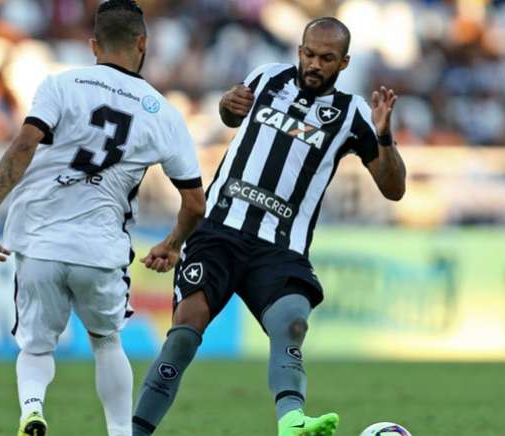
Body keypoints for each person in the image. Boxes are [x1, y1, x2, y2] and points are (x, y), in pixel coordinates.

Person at [132, 17, 407, 436]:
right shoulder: (267, 77)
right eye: (309, 54)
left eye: (326, 59)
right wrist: (227, 105)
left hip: (280, 248)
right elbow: (230, 115)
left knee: (292, 323)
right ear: (299, 50)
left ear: (344, 62)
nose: (314, 64)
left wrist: (384, 139)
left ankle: (292, 423)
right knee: (184, 335)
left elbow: (393, 189)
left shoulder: (353, 115)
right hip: (218, 232)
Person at [0, 1, 206, 435]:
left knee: (37, 347)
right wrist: (172, 243)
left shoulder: (60, 85)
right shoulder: (164, 113)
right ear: (142, 43)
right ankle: (120, 432)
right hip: (100, 248)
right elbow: (194, 203)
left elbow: (23, 145)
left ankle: (33, 409)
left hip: (38, 239)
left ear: (93, 44)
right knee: (106, 341)